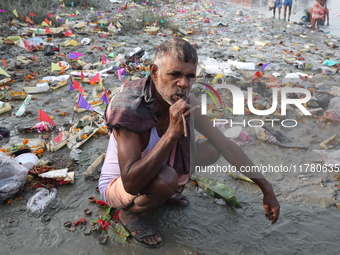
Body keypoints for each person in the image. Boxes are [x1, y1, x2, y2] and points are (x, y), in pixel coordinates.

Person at [99, 38, 280, 248]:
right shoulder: (130, 108)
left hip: (154, 169)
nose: (184, 84)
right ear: (155, 72)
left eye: (190, 76)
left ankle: (164, 193)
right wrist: (172, 134)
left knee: (213, 148)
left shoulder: (186, 102)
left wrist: (266, 188)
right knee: (166, 179)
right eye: (175, 74)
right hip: (120, 184)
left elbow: (226, 146)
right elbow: (130, 182)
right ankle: (129, 214)